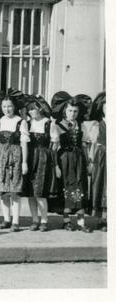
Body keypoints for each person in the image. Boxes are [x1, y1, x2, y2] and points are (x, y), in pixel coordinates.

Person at [0, 89, 30, 232]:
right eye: (4, 106)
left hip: (15, 158)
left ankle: (16, 221)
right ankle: (6, 219)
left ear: (14, 106)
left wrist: (24, 162)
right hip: (0, 157)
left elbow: (24, 143)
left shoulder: (21, 122)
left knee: (14, 191)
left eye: (10, 106)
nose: (7, 109)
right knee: (3, 191)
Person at [50, 92, 92, 232]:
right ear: (64, 111)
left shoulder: (82, 126)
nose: (72, 114)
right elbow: (54, 148)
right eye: (70, 111)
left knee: (80, 187)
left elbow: (85, 146)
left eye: (75, 111)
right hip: (64, 160)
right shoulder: (57, 126)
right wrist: (56, 165)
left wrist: (88, 163)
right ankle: (66, 221)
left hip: (79, 160)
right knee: (66, 187)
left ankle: (81, 222)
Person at [23, 95, 56, 231]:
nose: (31, 112)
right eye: (29, 110)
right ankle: (34, 220)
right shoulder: (27, 124)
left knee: (40, 192)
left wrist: (50, 159)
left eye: (33, 109)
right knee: (31, 192)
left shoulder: (49, 123)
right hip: (30, 158)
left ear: (40, 109)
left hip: (43, 159)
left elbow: (54, 144)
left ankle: (44, 220)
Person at [87, 92, 106, 231]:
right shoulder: (97, 125)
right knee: (101, 185)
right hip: (102, 158)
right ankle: (103, 219)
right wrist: (91, 162)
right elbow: (93, 145)